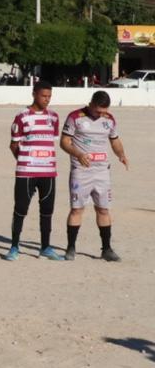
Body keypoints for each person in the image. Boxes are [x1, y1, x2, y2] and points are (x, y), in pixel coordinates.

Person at [61, 91, 128, 261]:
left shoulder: (109, 119)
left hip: (102, 172)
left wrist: (121, 154)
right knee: (77, 209)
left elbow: (115, 140)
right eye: (98, 111)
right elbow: (64, 142)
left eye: (104, 111)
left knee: (103, 209)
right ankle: (70, 248)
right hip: (81, 171)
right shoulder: (75, 117)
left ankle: (106, 249)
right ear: (91, 104)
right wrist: (78, 154)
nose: (101, 114)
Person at [5, 81, 63, 260]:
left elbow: (52, 140)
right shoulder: (22, 117)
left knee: (47, 211)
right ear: (34, 94)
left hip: (48, 172)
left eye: (49, 96)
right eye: (43, 96)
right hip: (26, 172)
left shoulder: (53, 117)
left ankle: (45, 247)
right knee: (20, 209)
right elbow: (13, 145)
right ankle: (14, 247)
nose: (47, 100)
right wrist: (25, 161)